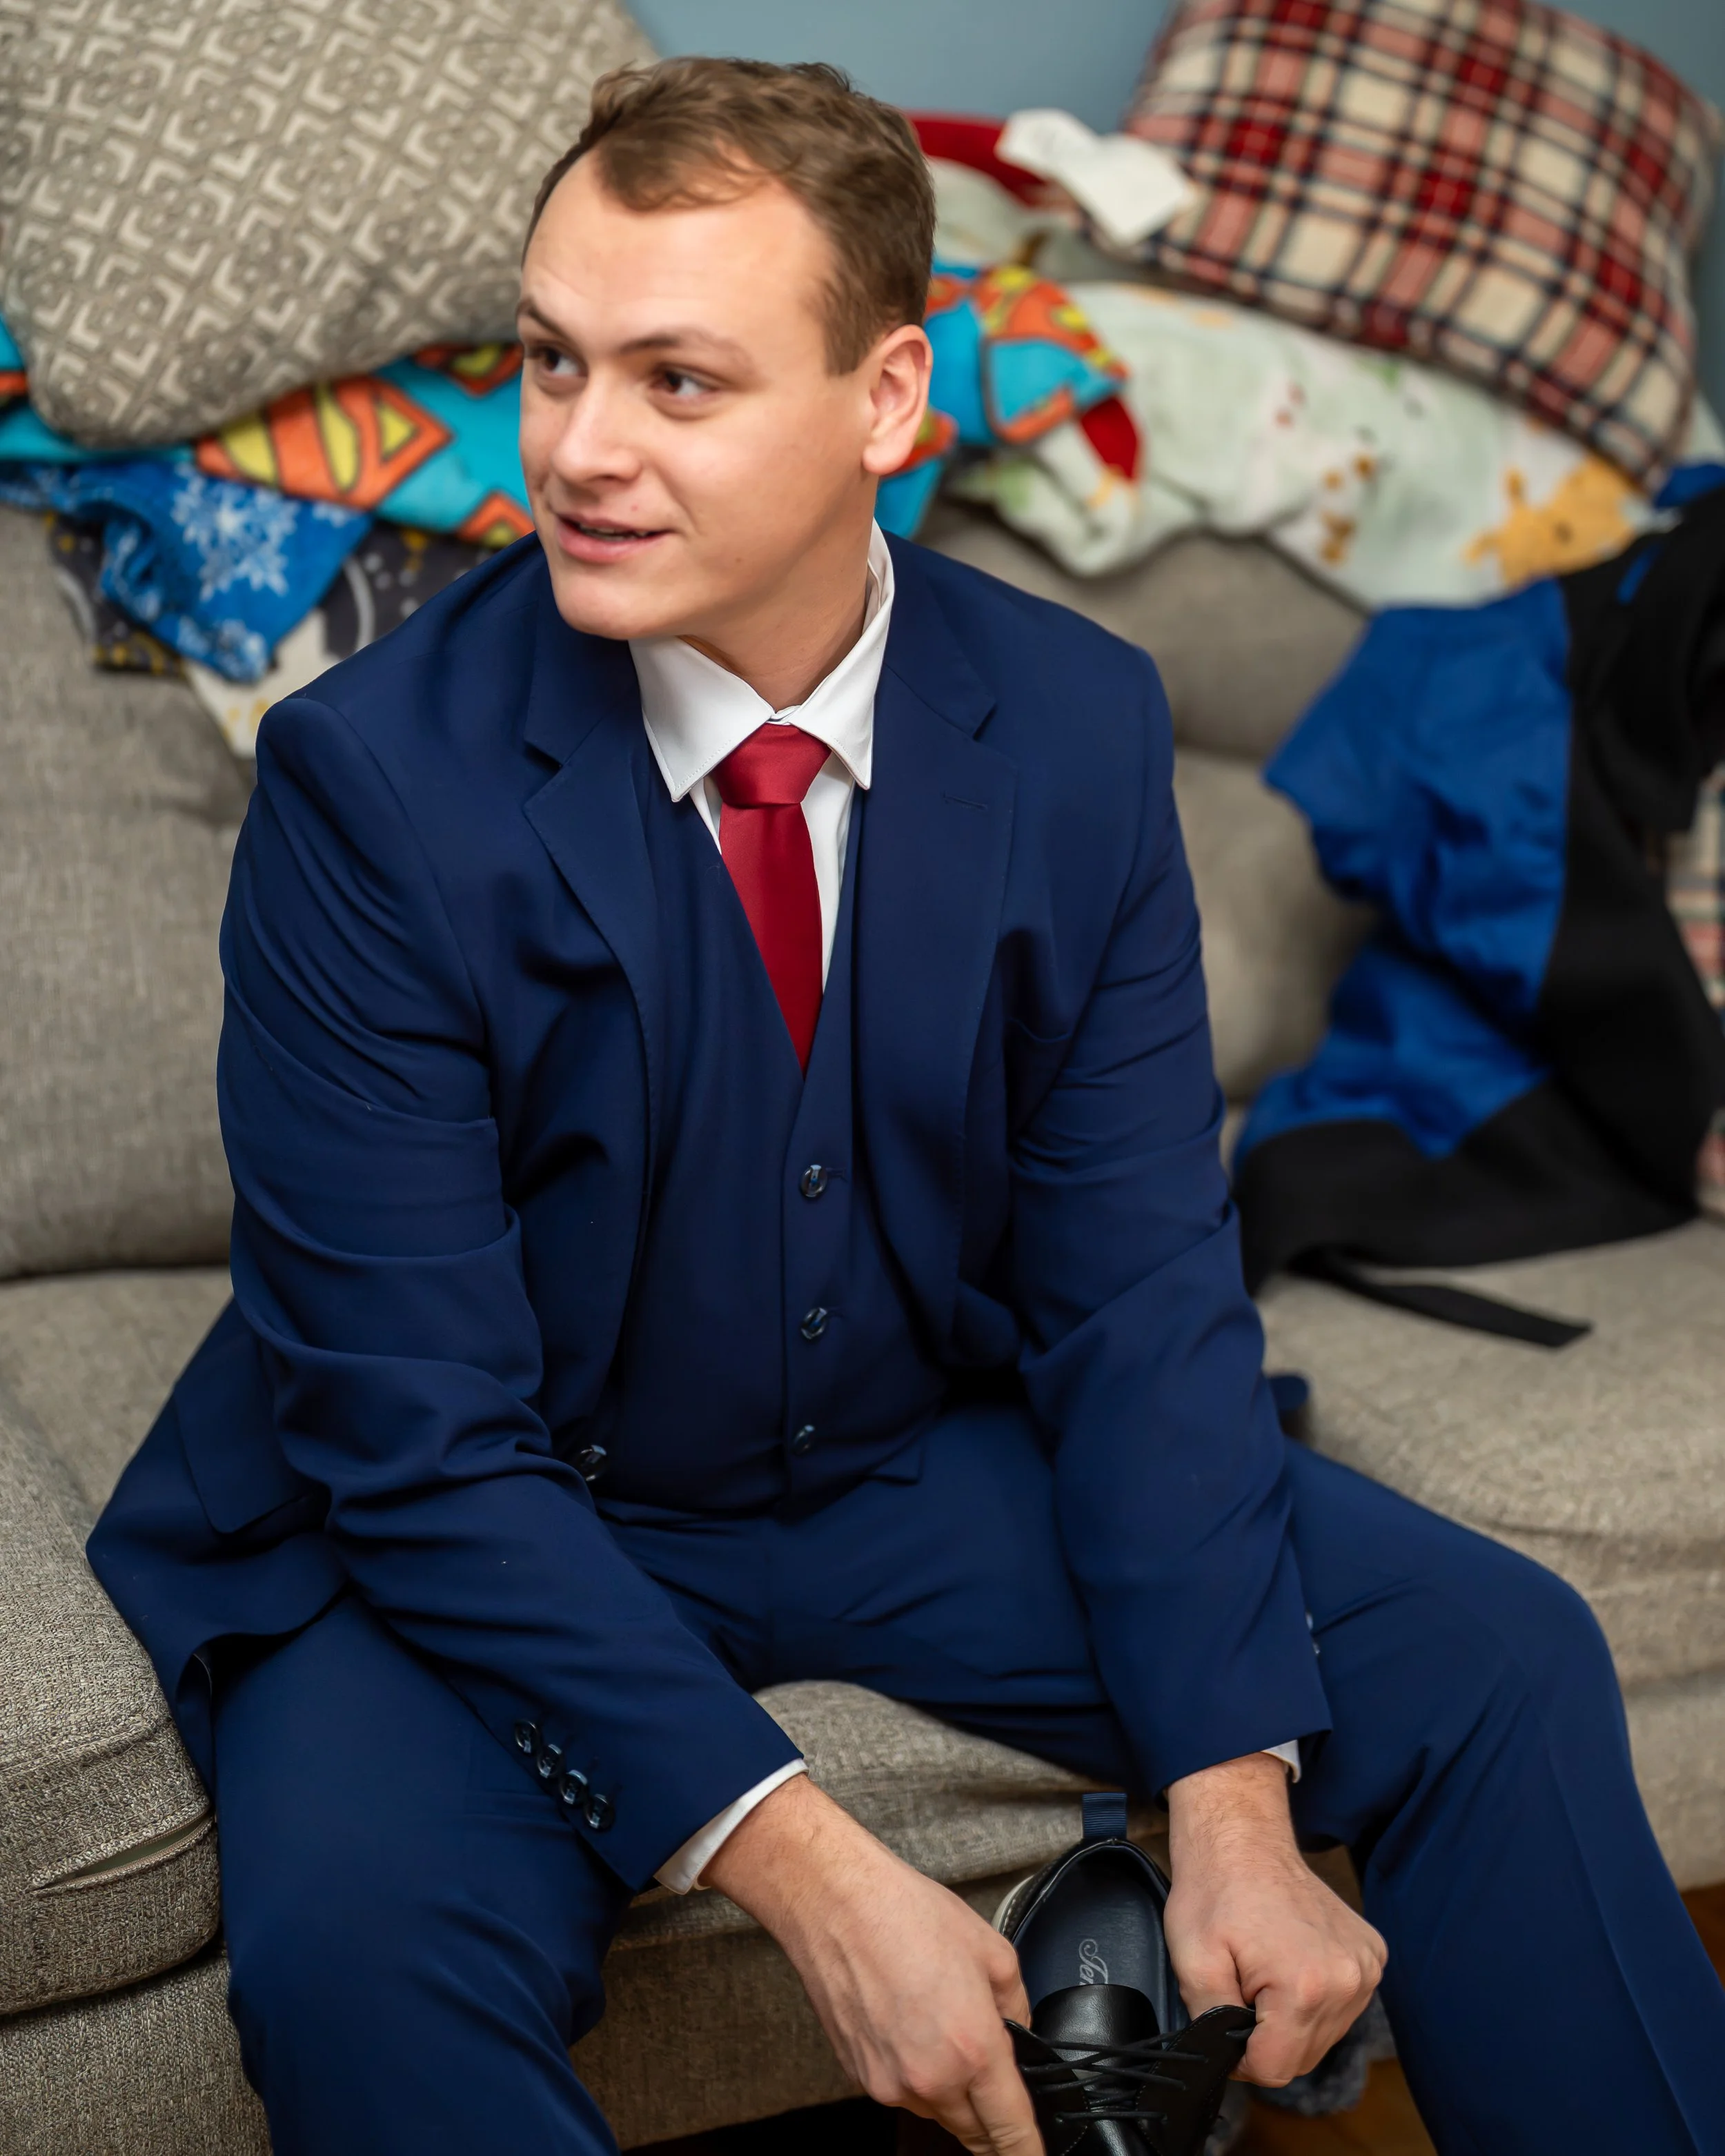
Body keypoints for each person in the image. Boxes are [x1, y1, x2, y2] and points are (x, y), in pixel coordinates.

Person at [90, 57, 1725, 2156]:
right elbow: (409, 1437)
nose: (572, 448)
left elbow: (1134, 1285)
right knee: (358, 1948)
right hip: (490, 1512)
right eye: (550, 360)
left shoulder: (1069, 720)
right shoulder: (367, 787)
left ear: (885, 403)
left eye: (677, 381)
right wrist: (799, 1858)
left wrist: (1233, 1793)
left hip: (903, 1456)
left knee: (1493, 1651)